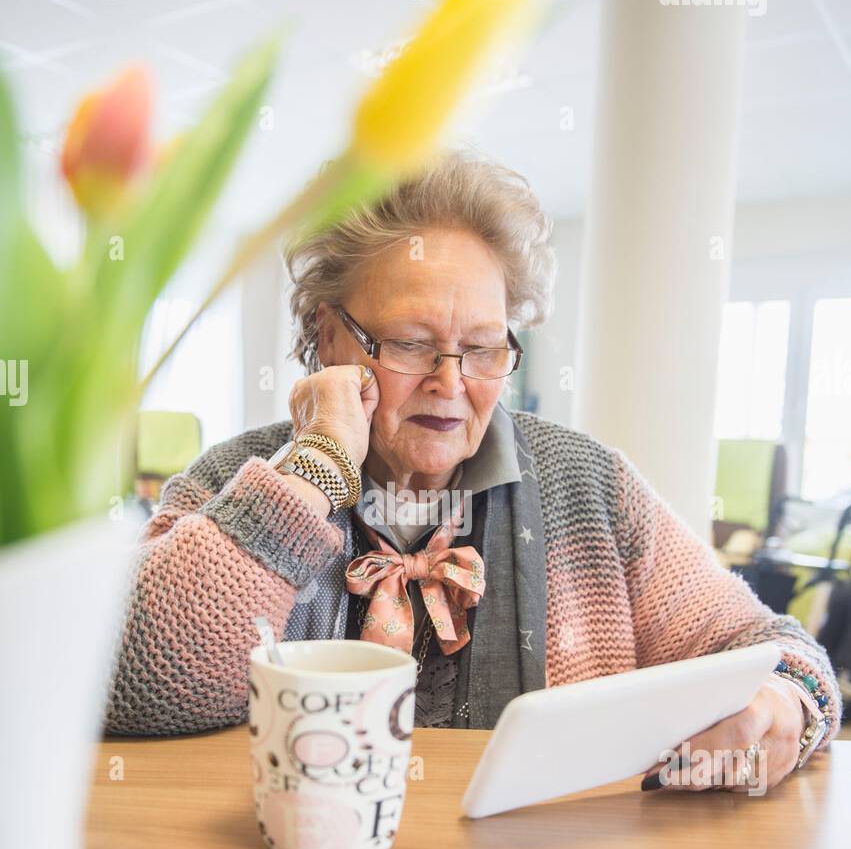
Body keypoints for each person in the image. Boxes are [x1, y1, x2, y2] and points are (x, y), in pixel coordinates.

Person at [104, 150, 841, 790]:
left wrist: (780, 707)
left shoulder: (587, 484)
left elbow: (779, 652)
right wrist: (316, 470)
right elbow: (125, 683)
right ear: (330, 335)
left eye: (484, 347)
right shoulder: (238, 476)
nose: (450, 383)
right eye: (410, 342)